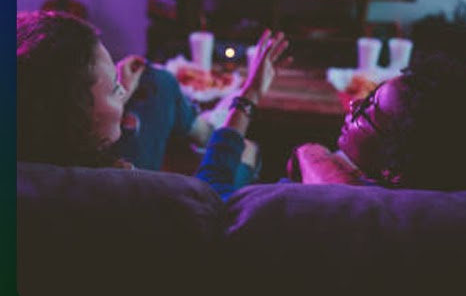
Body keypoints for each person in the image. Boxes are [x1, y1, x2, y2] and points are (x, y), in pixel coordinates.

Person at [17, 10, 287, 198]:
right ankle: (213, 131)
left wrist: (120, 88)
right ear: (75, 119)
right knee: (247, 151)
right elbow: (208, 197)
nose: (122, 90)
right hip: (210, 193)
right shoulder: (123, 190)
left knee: (156, 79)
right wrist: (247, 100)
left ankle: (203, 129)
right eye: (113, 89)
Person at [291, 55, 466, 192]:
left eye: (367, 111)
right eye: (368, 97)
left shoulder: (350, 203)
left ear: (392, 172)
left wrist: (311, 154)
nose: (353, 105)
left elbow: (305, 157)